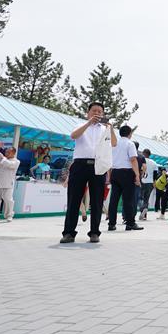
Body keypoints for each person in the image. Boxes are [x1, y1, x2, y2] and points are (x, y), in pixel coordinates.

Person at [61, 102, 117, 244]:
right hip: (80, 164)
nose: (96, 113)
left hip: (98, 166)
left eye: (99, 111)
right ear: (88, 112)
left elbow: (114, 143)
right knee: (74, 200)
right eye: (94, 111)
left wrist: (111, 129)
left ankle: (94, 233)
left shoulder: (105, 129)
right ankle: (69, 233)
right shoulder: (81, 126)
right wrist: (88, 123)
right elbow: (73, 136)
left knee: (97, 200)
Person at [107, 126, 144, 232]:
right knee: (128, 200)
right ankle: (130, 223)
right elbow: (133, 160)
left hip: (115, 172)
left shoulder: (114, 144)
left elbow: (110, 161)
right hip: (127, 173)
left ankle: (111, 224)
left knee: (113, 200)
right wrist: (137, 175)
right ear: (130, 133)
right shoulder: (130, 143)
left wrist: (109, 175)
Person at [0, 147, 20, 223]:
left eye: (8, 152)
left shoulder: (16, 161)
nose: (6, 154)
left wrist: (3, 158)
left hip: (8, 184)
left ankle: (9, 215)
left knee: (8, 200)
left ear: (13, 153)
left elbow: (9, 165)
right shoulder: (3, 159)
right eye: (6, 152)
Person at [138, 149, 158, 220]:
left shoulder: (141, 160)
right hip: (150, 183)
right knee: (146, 199)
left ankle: (142, 209)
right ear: (150, 154)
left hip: (141, 181)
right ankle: (144, 214)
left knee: (139, 198)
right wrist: (154, 182)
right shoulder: (154, 163)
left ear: (143, 153)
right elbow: (155, 174)